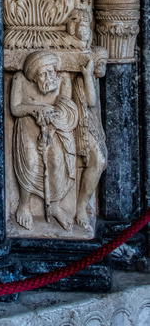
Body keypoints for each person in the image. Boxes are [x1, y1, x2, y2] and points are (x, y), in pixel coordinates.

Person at [10, 51, 78, 231]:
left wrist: (49, 131)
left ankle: (54, 205)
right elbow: (15, 108)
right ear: (34, 75)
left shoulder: (62, 79)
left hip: (52, 126)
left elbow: (65, 109)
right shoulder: (20, 79)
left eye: (51, 71)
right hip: (28, 123)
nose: (49, 76)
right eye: (43, 73)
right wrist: (35, 109)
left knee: (56, 161)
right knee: (31, 162)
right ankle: (24, 204)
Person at [73, 49, 108, 228]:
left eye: (105, 61)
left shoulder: (94, 78)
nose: (103, 65)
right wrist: (87, 75)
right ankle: (80, 206)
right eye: (99, 61)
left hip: (94, 126)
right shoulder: (84, 77)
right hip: (82, 126)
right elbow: (91, 101)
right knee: (98, 160)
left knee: (101, 161)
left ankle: (84, 202)